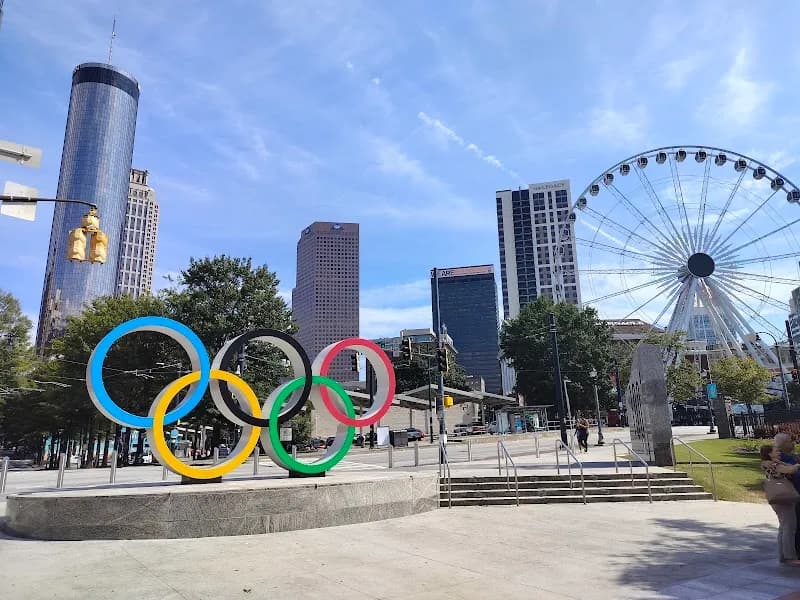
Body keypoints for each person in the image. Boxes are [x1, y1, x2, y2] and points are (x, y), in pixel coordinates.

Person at [761, 444, 800, 565]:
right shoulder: (772, 464)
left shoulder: (772, 463)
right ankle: (790, 557)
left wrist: (785, 463)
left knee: (784, 527)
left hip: (779, 498)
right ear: (769, 453)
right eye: (776, 451)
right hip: (783, 498)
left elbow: (788, 467)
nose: (779, 453)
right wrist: (797, 465)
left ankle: (783, 555)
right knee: (789, 527)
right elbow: (790, 470)